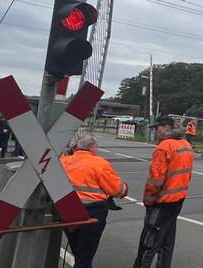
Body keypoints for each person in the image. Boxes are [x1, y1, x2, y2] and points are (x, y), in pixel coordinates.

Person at [61, 133, 128, 268]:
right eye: (96, 146)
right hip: (92, 213)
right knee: (85, 255)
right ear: (91, 146)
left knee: (78, 249)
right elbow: (118, 191)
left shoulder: (64, 161)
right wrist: (125, 188)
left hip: (67, 211)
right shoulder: (100, 164)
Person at [134, 115, 193, 268]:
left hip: (162, 202)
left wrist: (148, 202)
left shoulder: (164, 147)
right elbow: (188, 174)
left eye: (157, 127)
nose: (156, 131)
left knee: (148, 243)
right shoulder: (186, 145)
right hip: (178, 200)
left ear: (167, 127)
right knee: (167, 242)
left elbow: (155, 181)